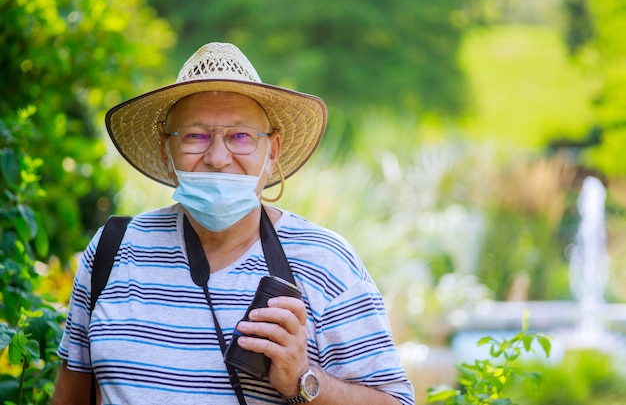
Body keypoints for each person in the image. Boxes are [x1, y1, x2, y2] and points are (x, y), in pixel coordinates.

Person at [52, 42, 415, 405]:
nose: (218, 157)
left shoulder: (324, 262)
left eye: (240, 136)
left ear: (271, 153)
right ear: (167, 152)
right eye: (195, 136)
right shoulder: (113, 250)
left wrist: (302, 379)